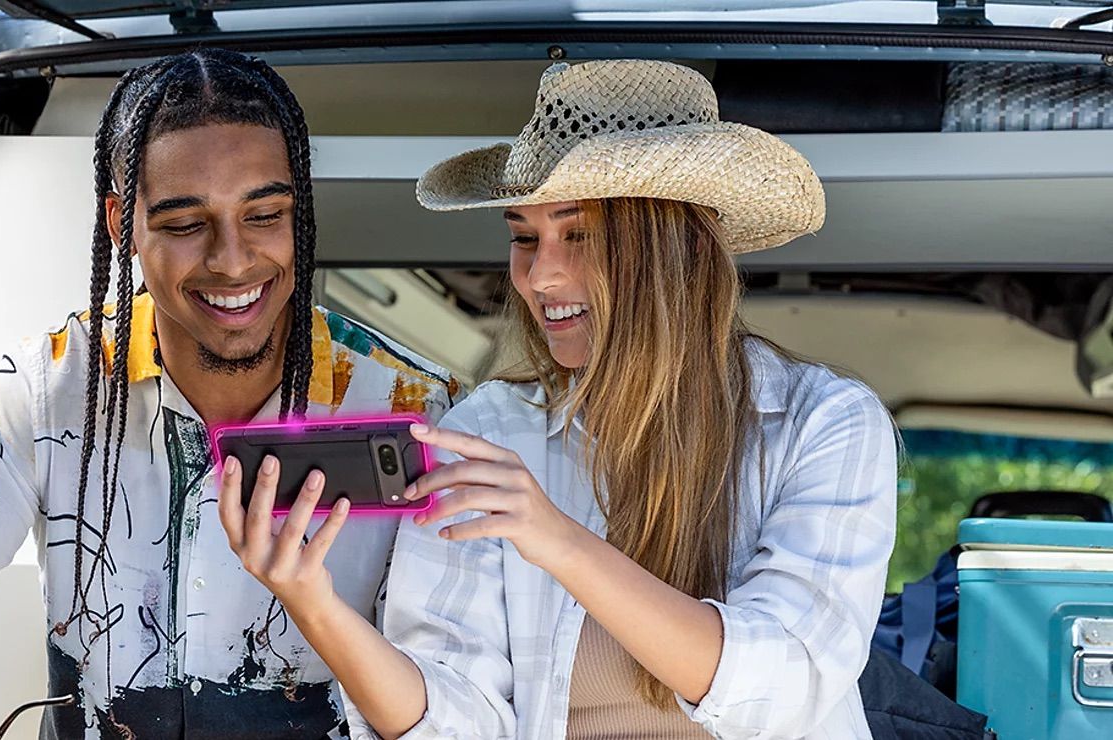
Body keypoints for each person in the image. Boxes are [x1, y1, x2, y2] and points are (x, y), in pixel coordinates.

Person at [218, 59, 897, 739]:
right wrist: (315, 607)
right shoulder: (489, 431)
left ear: (680, 248)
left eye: (581, 235)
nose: (540, 275)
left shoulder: (826, 423)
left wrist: (561, 542)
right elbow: (459, 724)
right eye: (523, 237)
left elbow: (784, 687)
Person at [0, 49, 456, 740]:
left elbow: (459, 706)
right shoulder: (47, 387)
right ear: (122, 225)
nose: (233, 259)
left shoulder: (415, 409)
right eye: (183, 224)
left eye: (264, 214)